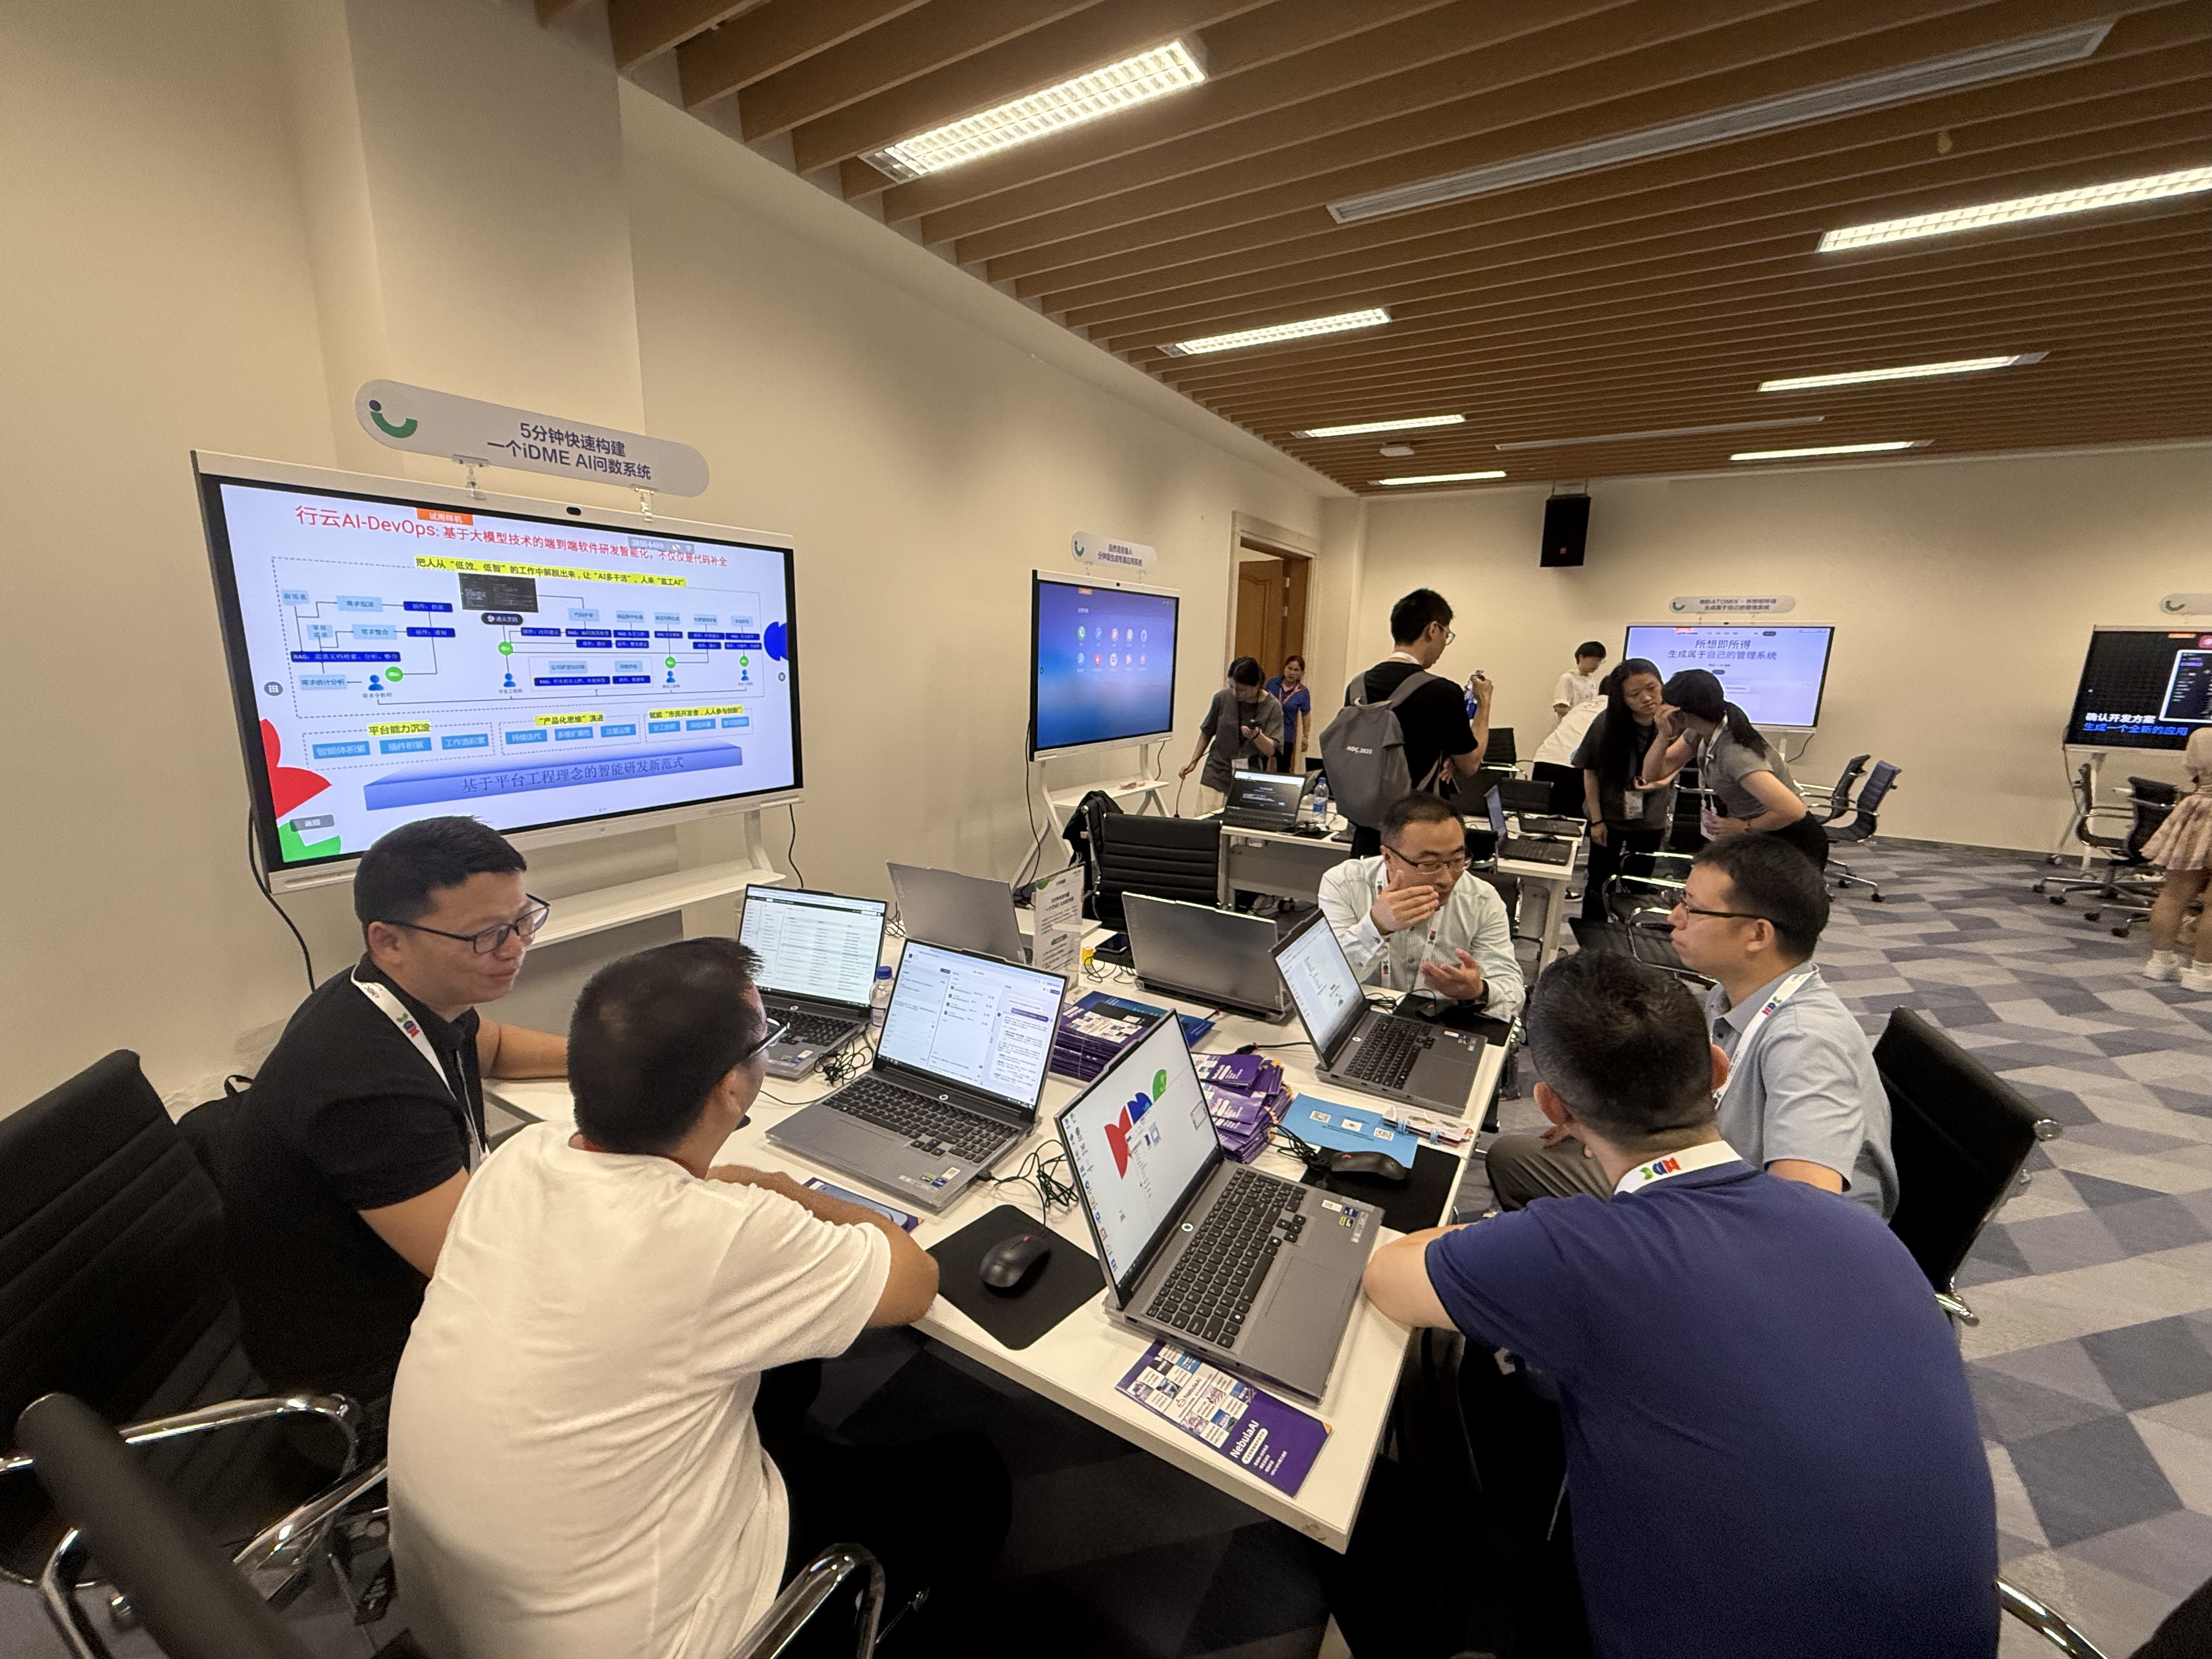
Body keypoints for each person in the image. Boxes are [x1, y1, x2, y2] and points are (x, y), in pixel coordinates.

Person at [1348, 952, 1995, 1659]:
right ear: (1718, 1070)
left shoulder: (1579, 1254)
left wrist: (1499, 1243)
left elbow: (1387, 1275)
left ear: (1553, 1108)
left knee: (1359, 1496)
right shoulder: (1864, 1234)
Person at [390, 938, 1007, 1659]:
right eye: (765, 1041)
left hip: (453, 1610)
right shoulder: (721, 1235)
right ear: (730, 1090)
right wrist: (780, 1189)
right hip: (648, 1639)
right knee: (973, 1478)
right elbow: (914, 1282)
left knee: (780, 1367)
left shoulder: (521, 1156)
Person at [215, 817, 567, 1446]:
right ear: (390, 940)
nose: (514, 947)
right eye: (487, 935)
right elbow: (485, 1273)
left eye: (522, 921)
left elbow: (488, 1045)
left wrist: (615, 1061)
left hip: (394, 1300)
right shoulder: (367, 1091)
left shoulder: (385, 997)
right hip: (365, 1390)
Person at [1488, 833, 1895, 1215]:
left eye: (1692, 908)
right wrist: (1603, 1121)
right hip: (1712, 1173)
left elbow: (1805, 1207)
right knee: (1518, 1158)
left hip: (1752, 1221)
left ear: (1757, 934)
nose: (1674, 917)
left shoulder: (1806, 1040)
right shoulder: (1731, 994)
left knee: (1524, 1177)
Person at [1317, 793, 1525, 1021]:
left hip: (1445, 1022)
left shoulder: (1482, 899)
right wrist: (1376, 926)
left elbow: (1513, 993)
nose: (1447, 879)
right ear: (1388, 858)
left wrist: (1480, 991)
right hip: (1364, 1019)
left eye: (1457, 860)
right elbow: (1325, 981)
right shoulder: (1344, 884)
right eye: (1429, 864)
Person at [1341, 589, 1493, 856]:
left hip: (1366, 829)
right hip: (1418, 835)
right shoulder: (1443, 691)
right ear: (1433, 630)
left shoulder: (1357, 687)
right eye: (1446, 634)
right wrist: (1485, 704)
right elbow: (1470, 764)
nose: (1444, 644)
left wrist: (1443, 753)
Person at [1645, 667, 1828, 867]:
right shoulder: (1699, 733)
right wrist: (1663, 735)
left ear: (1679, 713)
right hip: (1760, 835)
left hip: (1789, 839)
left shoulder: (1736, 754)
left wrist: (1744, 826)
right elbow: (1653, 774)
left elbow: (1793, 811)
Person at [1574, 657, 1681, 923]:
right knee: (1599, 882)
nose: (1647, 698)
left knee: (1638, 887)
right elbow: (1590, 771)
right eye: (1635, 694)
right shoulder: (1606, 724)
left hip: (1650, 820)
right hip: (1609, 816)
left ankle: (1630, 937)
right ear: (1622, 699)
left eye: (1652, 688)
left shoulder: (1675, 723)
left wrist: (1660, 782)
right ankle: (1594, 935)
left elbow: (1678, 763)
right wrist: (1597, 821)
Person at [2143, 725, 2212, 994]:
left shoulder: (2202, 736)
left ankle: (2160, 963)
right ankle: (2203, 972)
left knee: (2173, 895)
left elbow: (2193, 774)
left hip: (2198, 812)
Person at [1181, 654, 1283, 811]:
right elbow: (1207, 732)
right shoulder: (1222, 698)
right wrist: (1193, 761)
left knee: (1240, 825)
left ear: (1257, 685)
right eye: (1232, 687)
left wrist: (1257, 736)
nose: (1235, 694)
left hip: (1248, 778)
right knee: (1206, 822)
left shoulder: (1272, 706)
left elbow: (1271, 751)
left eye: (1242, 690)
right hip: (1216, 774)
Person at [1266, 653, 1312, 774]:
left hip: (1286, 735)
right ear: (1285, 668)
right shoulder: (1272, 683)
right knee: (1261, 765)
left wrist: (1305, 736)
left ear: (1302, 673)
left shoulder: (1303, 692)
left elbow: (1306, 714)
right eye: (1290, 668)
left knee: (1283, 769)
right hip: (1267, 732)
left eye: (1296, 670)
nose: (1292, 673)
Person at [1551, 641, 1607, 719]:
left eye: (1600, 661)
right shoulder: (1568, 678)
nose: (1597, 664)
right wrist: (1579, 718)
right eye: (1594, 660)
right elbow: (1560, 708)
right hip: (1573, 723)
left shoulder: (1592, 680)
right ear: (1581, 657)